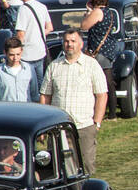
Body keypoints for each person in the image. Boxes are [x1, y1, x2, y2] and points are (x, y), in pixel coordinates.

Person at [40, 28, 108, 174]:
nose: (69, 44)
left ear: (81, 44)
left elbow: (102, 95)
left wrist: (96, 123)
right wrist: (44, 126)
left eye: (73, 41)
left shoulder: (92, 65)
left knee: (86, 165)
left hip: (84, 126)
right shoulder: (54, 66)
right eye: (66, 41)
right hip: (58, 128)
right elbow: (45, 96)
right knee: (57, 168)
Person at [81, 0, 119, 116]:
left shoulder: (97, 12)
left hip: (98, 52)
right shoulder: (110, 12)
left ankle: (104, 111)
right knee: (109, 82)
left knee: (100, 83)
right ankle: (112, 111)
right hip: (107, 50)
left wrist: (88, 12)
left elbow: (84, 26)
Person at [15, 0, 53, 90]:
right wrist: (37, 34)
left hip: (27, 54)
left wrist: (18, 52)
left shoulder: (23, 9)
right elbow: (50, 28)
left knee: (28, 85)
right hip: (40, 51)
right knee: (41, 84)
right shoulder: (42, 6)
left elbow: (21, 35)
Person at [0, 36, 39, 102]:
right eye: (11, 55)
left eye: (18, 54)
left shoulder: (29, 69)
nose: (15, 58)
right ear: (5, 53)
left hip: (26, 110)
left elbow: (34, 95)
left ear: (22, 51)